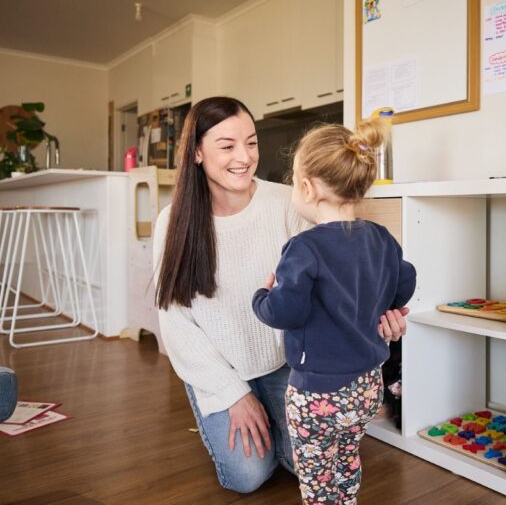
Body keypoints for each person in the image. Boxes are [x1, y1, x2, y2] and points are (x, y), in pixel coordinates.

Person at [153, 97, 409, 494]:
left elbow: (338, 285)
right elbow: (174, 321)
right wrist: (231, 393)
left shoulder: (288, 203)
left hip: (287, 363)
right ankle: (228, 407)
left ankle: (273, 420)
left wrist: (381, 318)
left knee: (307, 460)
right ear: (198, 152)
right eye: (227, 146)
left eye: (252, 143)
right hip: (221, 365)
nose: (244, 157)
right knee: (248, 475)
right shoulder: (173, 222)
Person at [252, 117, 417, 504]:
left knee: (316, 480)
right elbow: (404, 283)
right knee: (346, 462)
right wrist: (379, 302)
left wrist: (261, 295)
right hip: (366, 389)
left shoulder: (303, 248)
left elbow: (284, 312)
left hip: (317, 394)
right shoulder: (380, 238)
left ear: (306, 187)